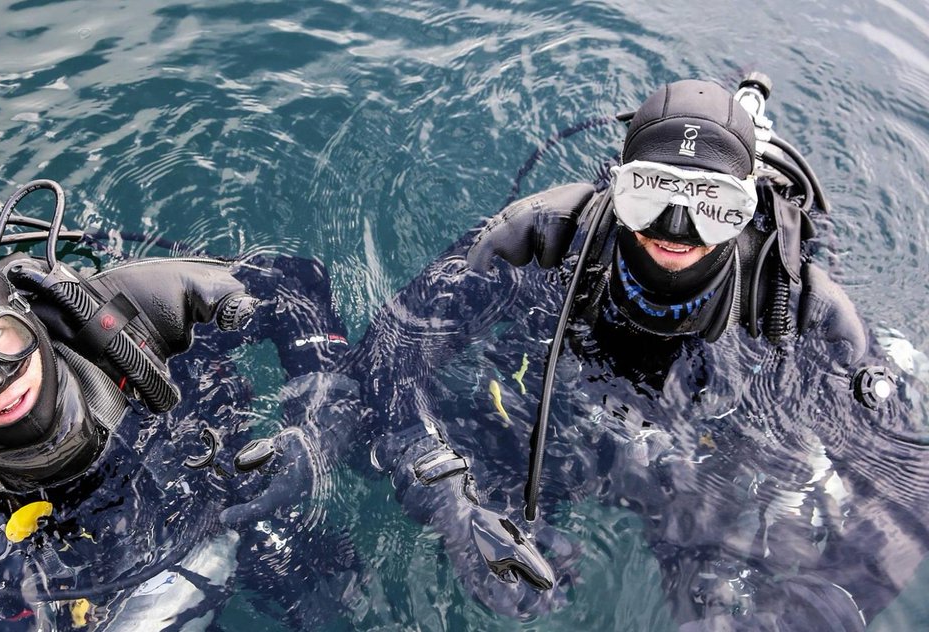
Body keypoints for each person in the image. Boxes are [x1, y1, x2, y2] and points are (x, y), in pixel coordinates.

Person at [345, 78, 929, 629]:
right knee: (509, 591)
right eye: (653, 192)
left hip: (705, 449)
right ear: (619, 184)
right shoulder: (543, 233)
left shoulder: (806, 310)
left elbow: (909, 492)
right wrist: (450, 498)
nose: (677, 227)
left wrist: (810, 614)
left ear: (747, 208)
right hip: (569, 407)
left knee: (723, 602)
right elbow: (390, 357)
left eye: (712, 204)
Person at [0, 185, 359, 631]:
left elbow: (295, 286)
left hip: (212, 495)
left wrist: (311, 435)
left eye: (0, 340)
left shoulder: (122, 314)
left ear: (28, 316)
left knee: (341, 593)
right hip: (84, 592)